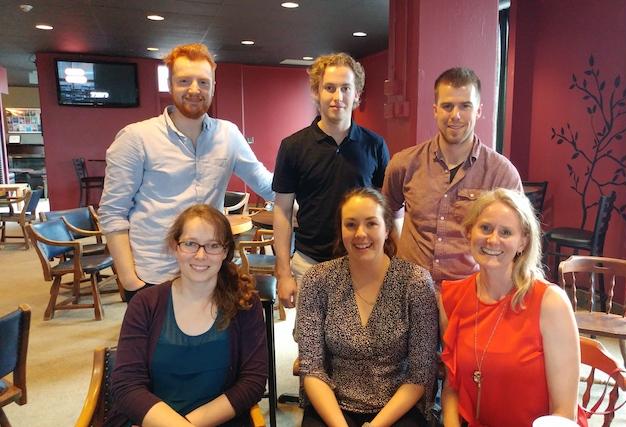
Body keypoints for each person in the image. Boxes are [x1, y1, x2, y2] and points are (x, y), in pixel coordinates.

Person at [99, 43, 274, 301]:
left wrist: (312, 194)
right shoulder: (136, 138)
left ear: (213, 86)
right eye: (184, 81)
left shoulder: (228, 135)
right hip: (154, 275)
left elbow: (265, 183)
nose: (195, 90)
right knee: (160, 342)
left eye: (203, 82)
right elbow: (113, 212)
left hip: (210, 272)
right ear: (170, 85)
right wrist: (129, 280)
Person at [108, 204, 268, 427]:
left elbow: (252, 382)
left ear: (225, 251)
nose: (200, 255)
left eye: (213, 245)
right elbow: (126, 385)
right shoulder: (145, 304)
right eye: (190, 244)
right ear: (175, 246)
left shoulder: (245, 305)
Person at [295, 188, 438, 427]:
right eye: (350, 225)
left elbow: (420, 374)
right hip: (333, 405)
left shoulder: (415, 282)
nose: (360, 234)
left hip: (397, 408)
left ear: (387, 228)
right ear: (341, 231)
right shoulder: (317, 280)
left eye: (371, 223)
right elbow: (311, 368)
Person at [440, 189, 581, 427]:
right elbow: (452, 388)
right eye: (485, 228)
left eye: (506, 232)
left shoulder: (550, 303)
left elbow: (564, 413)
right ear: (469, 232)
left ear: (522, 242)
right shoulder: (452, 298)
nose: (493, 240)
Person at [382, 67, 522, 284]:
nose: (455, 115)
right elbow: (387, 212)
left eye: (465, 106)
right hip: (409, 289)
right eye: (447, 106)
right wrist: (401, 250)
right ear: (435, 110)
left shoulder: (501, 174)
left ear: (479, 111)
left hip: (469, 293)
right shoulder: (404, 163)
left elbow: (518, 236)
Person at [273, 52, 390, 308]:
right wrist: (283, 273)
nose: (338, 97)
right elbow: (282, 211)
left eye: (346, 88)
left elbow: (388, 209)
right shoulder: (293, 146)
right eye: (329, 88)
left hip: (363, 263)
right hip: (309, 265)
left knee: (363, 345)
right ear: (316, 93)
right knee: (311, 345)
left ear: (357, 95)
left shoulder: (375, 145)